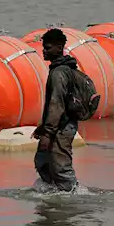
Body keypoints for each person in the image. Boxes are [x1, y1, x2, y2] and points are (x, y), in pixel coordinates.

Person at [31, 28, 80, 192]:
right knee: (43, 161)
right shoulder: (61, 69)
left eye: (48, 47)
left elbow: (56, 105)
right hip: (59, 125)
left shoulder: (59, 73)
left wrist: (48, 133)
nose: (44, 51)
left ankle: (71, 196)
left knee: (61, 168)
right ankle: (55, 193)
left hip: (62, 127)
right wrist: (43, 126)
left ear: (59, 48)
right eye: (43, 47)